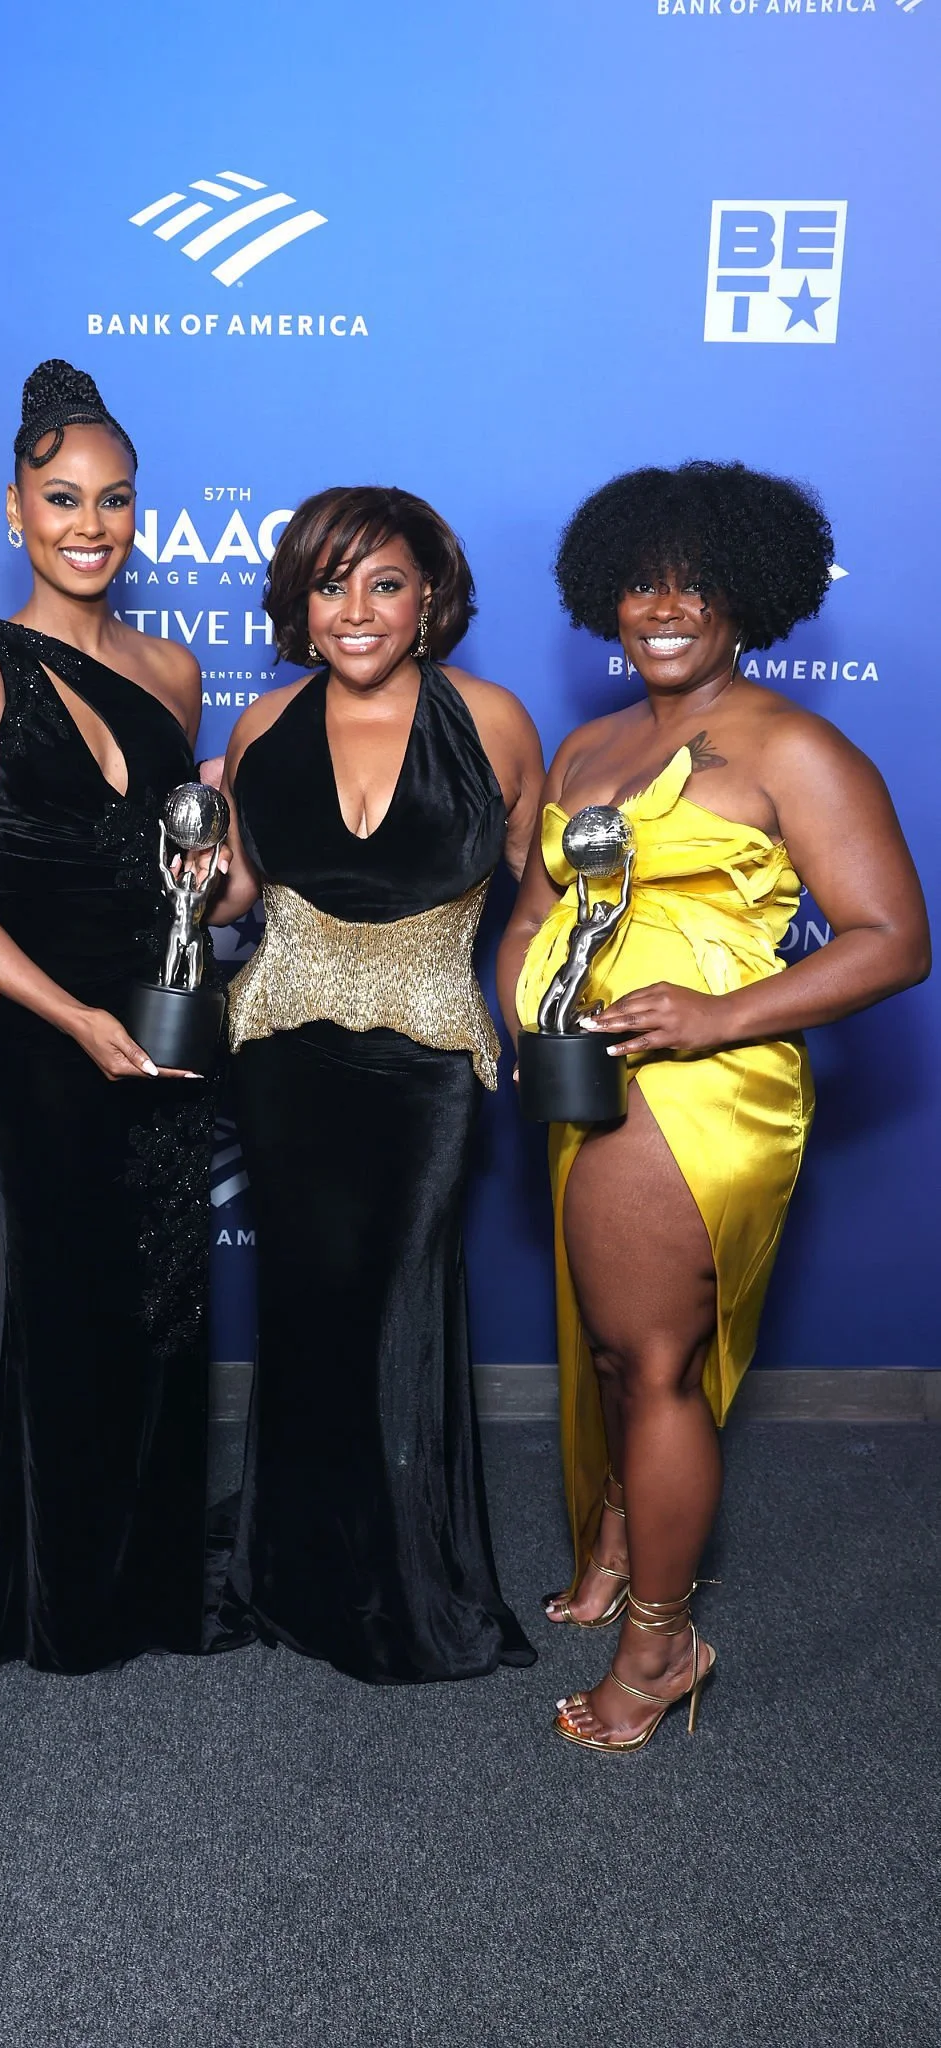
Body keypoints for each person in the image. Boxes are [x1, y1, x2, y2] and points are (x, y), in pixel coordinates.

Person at [498, 461, 930, 1752]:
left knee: (658, 1362)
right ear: (605, 598)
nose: (665, 606)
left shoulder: (793, 745)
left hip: (701, 1093)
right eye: (641, 582)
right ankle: (621, 1552)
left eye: (696, 584)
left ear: (749, 598)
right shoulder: (587, 745)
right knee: (620, 1347)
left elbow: (891, 940)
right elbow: (539, 910)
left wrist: (714, 1019)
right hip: (589, 1079)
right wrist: (530, 1008)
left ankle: (663, 1641)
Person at [0, 360, 216, 1678]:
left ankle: (146, 1583)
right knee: (49, 1306)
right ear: (15, 510)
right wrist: (72, 1018)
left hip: (158, 1026)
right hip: (30, 1035)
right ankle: (52, 1599)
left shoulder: (175, 669)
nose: (91, 526)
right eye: (63, 500)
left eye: (116, 502)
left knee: (157, 1302)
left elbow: (174, 852)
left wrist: (201, 878)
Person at [206, 485, 541, 1684]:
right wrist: (193, 872)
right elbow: (239, 897)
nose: (356, 611)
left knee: (401, 1297)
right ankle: (287, 1566)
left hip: (427, 1059)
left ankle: (408, 1583)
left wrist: (525, 1013)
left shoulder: (492, 720)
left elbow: (537, 887)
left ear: (430, 597)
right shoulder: (259, 725)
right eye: (329, 583)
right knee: (302, 1304)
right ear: (298, 599)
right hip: (283, 1047)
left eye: (384, 584)